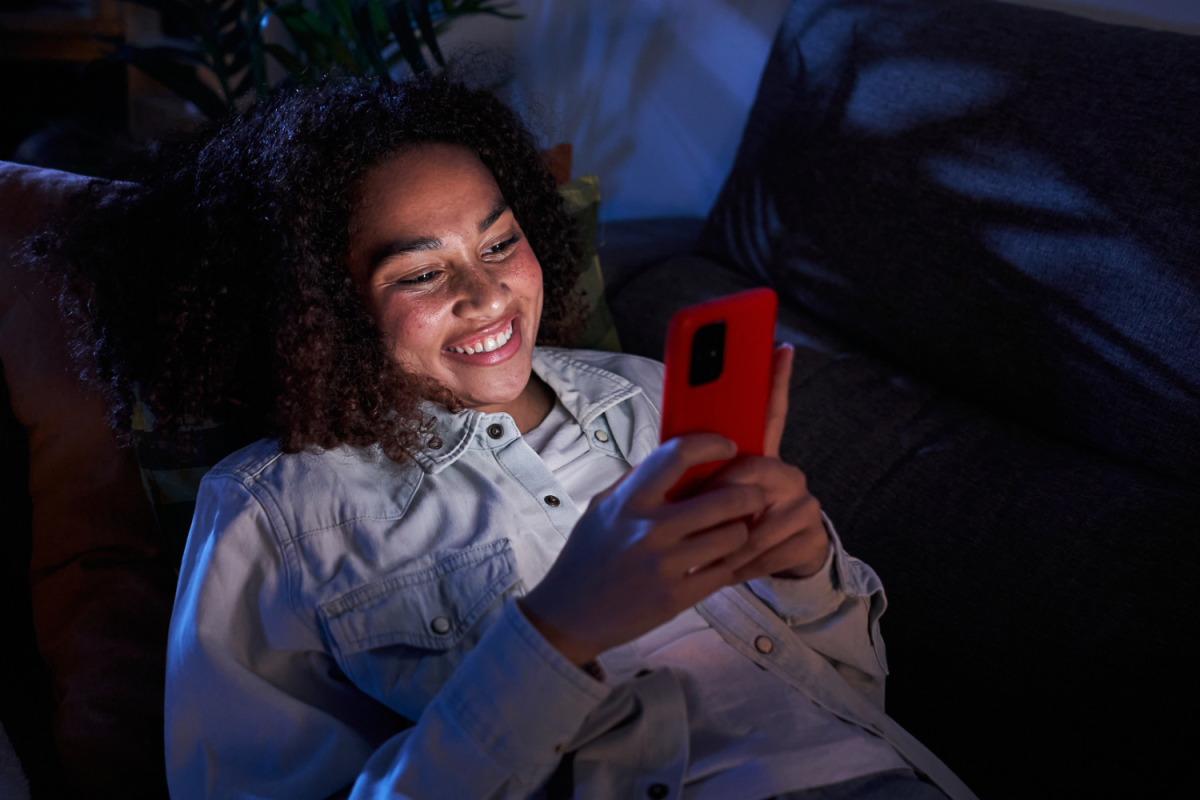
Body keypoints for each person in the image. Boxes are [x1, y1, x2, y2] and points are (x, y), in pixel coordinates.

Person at [44, 76, 976, 800]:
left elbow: (855, 693)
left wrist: (807, 572)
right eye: (421, 272)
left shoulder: (649, 398)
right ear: (318, 308)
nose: (488, 296)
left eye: (499, 245)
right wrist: (558, 632)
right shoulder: (274, 517)